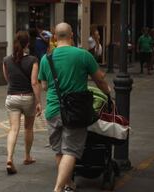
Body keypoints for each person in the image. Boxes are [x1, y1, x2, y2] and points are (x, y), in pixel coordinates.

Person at [38, 22, 111, 192]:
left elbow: (44, 86)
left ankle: (68, 184)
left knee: (59, 150)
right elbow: (99, 79)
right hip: (76, 111)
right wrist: (107, 90)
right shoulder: (83, 55)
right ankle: (58, 188)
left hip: (53, 110)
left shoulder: (45, 58)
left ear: (55, 37)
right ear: (72, 36)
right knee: (70, 151)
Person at [2, 31, 42, 175]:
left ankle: (9, 158)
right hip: (27, 98)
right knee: (28, 128)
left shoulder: (6, 60)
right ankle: (27, 156)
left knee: (13, 129)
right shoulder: (33, 60)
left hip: (12, 97)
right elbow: (34, 82)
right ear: (27, 44)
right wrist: (38, 101)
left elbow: (7, 79)